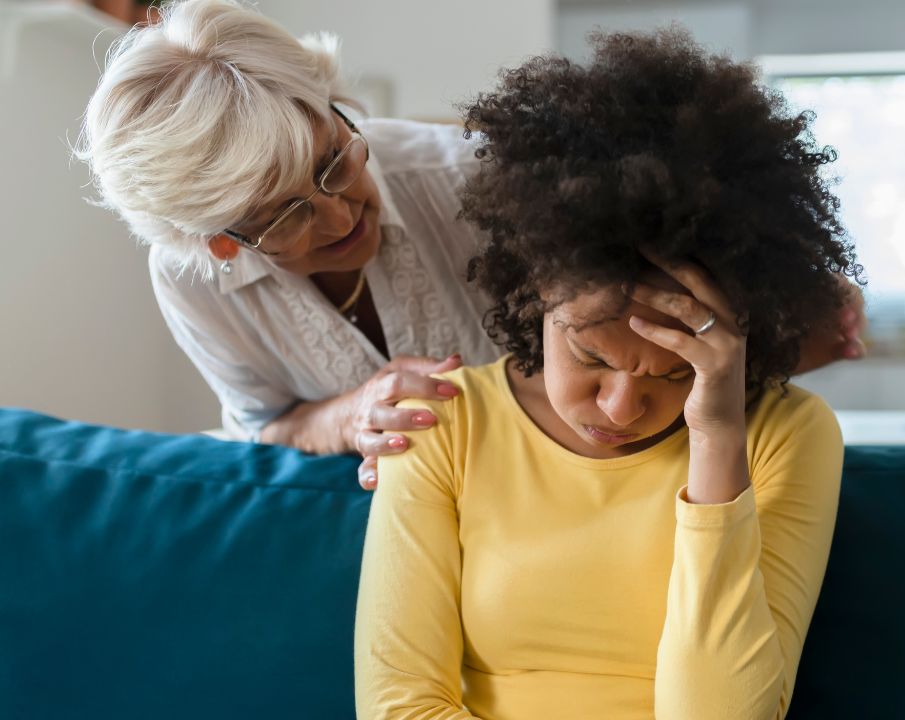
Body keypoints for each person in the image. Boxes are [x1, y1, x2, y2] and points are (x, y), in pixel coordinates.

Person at [76, 0, 864, 490]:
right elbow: (265, 425)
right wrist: (349, 415)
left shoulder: (470, 179)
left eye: (332, 158)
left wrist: (779, 305)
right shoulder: (191, 281)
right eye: (283, 214)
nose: (341, 208)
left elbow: (659, 310)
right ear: (219, 243)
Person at [354, 28, 858, 718]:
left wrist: (714, 440)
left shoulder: (784, 435)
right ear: (535, 292)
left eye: (674, 375)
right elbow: (398, 707)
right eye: (591, 357)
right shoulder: (444, 422)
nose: (621, 407)